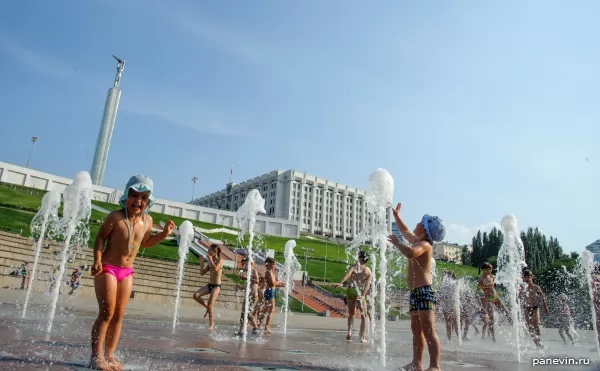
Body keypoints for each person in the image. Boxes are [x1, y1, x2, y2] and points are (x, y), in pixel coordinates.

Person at [90, 175, 175, 371]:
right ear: (126, 196)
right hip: (108, 268)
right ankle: (96, 356)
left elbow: (145, 242)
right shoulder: (115, 217)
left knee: (119, 315)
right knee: (106, 313)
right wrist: (97, 260)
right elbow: (100, 238)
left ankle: (110, 355)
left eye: (143, 197)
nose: (138, 201)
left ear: (148, 201)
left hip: (127, 272)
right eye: (134, 195)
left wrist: (162, 235)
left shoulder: (147, 221)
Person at [387, 203, 445, 371]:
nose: (417, 223)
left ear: (425, 229)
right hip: (415, 293)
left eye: (421, 222)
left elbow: (411, 253)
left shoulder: (424, 245)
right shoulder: (416, 241)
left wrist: (397, 243)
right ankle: (416, 363)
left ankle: (435, 365)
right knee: (416, 330)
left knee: (428, 330)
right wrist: (397, 216)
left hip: (424, 291)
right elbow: (405, 231)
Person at [333, 250, 372, 343]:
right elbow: (367, 285)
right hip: (359, 292)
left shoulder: (353, 267)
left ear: (361, 259)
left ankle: (349, 332)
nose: (356, 257)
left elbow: (348, 275)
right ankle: (362, 337)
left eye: (358, 256)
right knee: (364, 315)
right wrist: (363, 295)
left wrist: (340, 283)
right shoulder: (367, 271)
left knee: (352, 313)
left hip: (350, 290)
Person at [477, 262, 513, 342]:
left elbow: (500, 280)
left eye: (491, 269)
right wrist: (479, 301)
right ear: (484, 269)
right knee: (491, 318)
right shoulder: (481, 279)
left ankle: (514, 326)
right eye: (490, 269)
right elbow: (477, 291)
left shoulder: (492, 276)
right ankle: (493, 338)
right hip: (488, 299)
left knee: (505, 311)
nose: (491, 270)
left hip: (496, 297)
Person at [193, 244, 223, 332]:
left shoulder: (220, 260)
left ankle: (211, 324)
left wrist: (210, 259)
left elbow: (216, 269)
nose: (208, 251)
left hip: (217, 286)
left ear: (215, 251)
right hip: (210, 285)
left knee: (210, 305)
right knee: (195, 295)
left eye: (210, 250)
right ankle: (207, 307)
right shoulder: (211, 261)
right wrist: (202, 262)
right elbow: (202, 273)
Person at [519, 269, 549, 349]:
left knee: (536, 326)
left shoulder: (535, 287)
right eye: (525, 277)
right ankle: (537, 344)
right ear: (523, 278)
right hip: (526, 309)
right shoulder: (522, 287)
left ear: (532, 277)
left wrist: (545, 306)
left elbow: (543, 296)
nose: (527, 279)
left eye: (528, 277)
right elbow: (517, 297)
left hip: (535, 308)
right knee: (530, 327)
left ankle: (538, 341)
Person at [235, 256, 259, 336]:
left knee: (248, 313)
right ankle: (241, 331)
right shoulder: (248, 273)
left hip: (253, 296)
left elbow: (257, 281)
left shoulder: (253, 271)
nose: (243, 267)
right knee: (243, 314)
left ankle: (256, 327)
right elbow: (247, 287)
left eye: (244, 265)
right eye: (243, 265)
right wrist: (240, 288)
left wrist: (246, 278)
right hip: (248, 296)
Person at [262, 257, 285, 334]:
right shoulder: (269, 272)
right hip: (270, 291)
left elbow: (272, 284)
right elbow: (273, 284)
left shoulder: (269, 272)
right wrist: (280, 281)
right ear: (269, 264)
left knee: (267, 310)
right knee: (271, 310)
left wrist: (281, 285)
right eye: (273, 264)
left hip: (270, 290)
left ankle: (260, 325)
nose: (274, 266)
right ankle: (267, 328)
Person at [439, 271, 459, 343]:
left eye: (445, 275)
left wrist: (454, 276)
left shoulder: (453, 283)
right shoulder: (443, 285)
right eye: (443, 276)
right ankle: (449, 339)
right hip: (445, 305)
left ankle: (459, 338)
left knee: (455, 322)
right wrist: (438, 304)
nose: (443, 277)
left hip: (453, 305)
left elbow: (457, 283)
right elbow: (441, 295)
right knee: (448, 323)